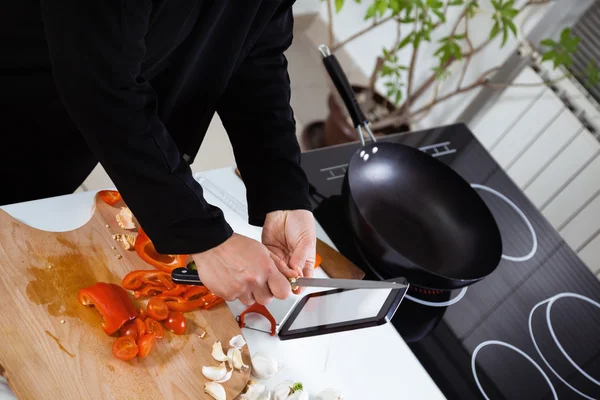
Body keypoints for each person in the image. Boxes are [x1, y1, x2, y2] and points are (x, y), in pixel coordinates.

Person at [0, 0, 316, 306]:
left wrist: (282, 191)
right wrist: (202, 236)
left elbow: (256, 46)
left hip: (69, 121)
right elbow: (101, 83)